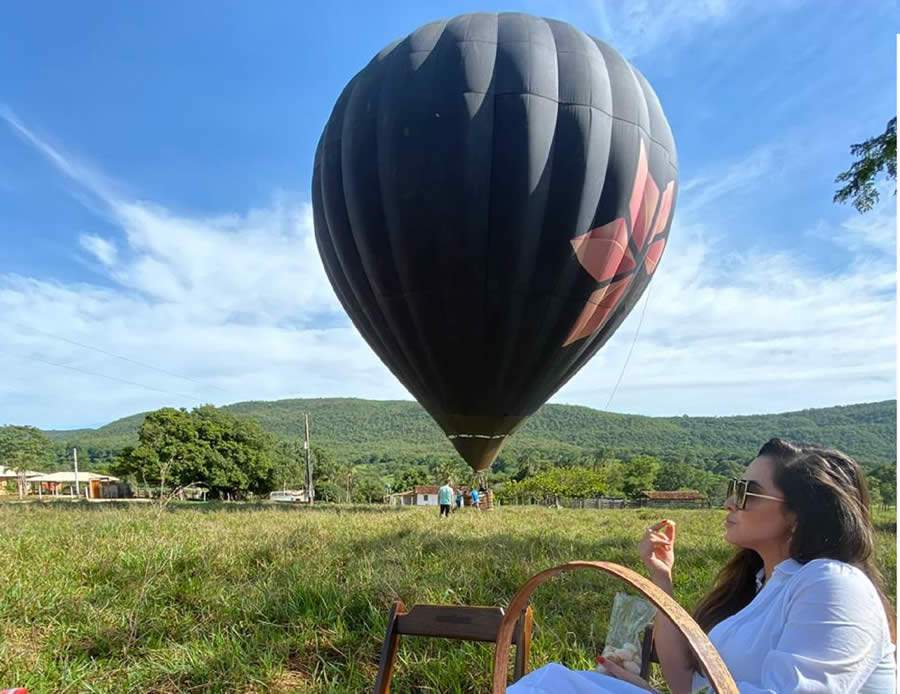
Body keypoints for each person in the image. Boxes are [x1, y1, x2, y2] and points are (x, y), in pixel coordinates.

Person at [509, 439, 896, 693]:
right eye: (733, 488)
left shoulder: (834, 584)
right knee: (551, 683)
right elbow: (685, 683)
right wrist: (661, 578)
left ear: (799, 514)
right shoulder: (762, 585)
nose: (730, 503)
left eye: (746, 493)